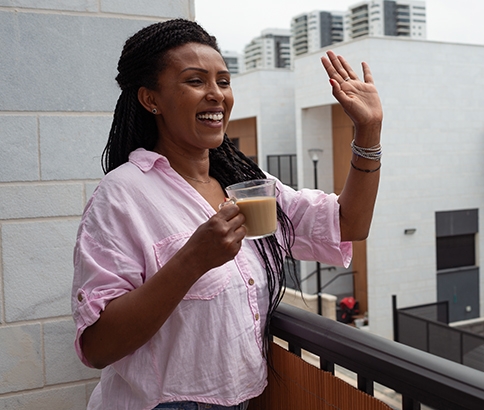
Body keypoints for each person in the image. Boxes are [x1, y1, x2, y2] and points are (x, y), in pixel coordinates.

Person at [72, 19, 382, 410]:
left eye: (224, 81)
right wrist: (193, 259)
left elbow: (348, 223)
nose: (216, 95)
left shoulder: (247, 182)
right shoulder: (122, 195)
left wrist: (368, 131)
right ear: (151, 99)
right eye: (196, 81)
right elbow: (98, 346)